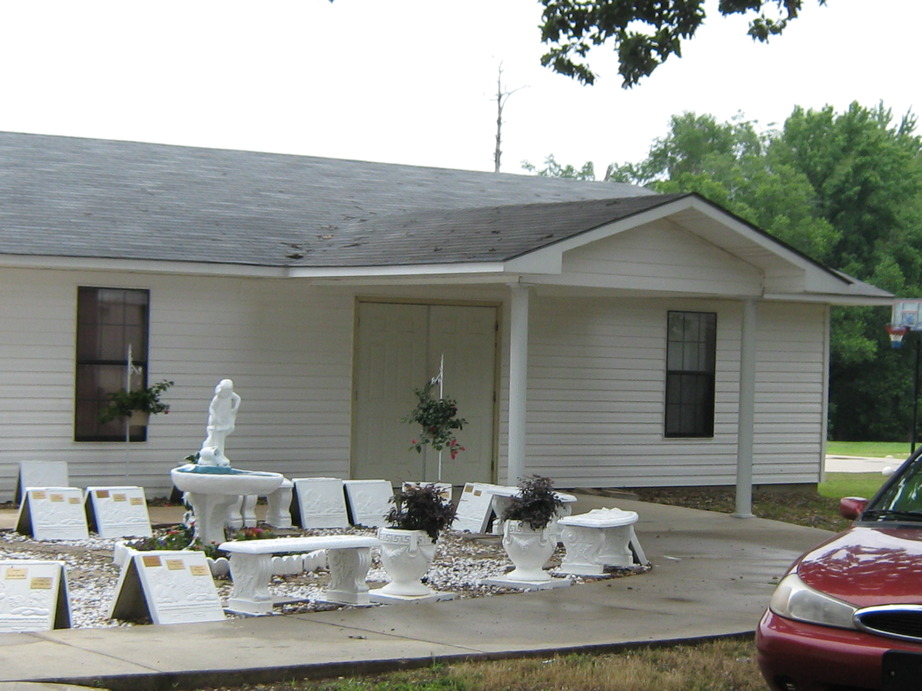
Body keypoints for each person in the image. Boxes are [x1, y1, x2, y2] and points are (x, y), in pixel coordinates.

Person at [200, 379, 241, 466]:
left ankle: (220, 454)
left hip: (224, 418)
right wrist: (215, 418)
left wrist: (235, 408)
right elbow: (212, 408)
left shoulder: (229, 395)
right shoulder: (218, 398)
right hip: (216, 421)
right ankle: (212, 454)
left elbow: (238, 399)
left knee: (221, 438)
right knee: (214, 437)